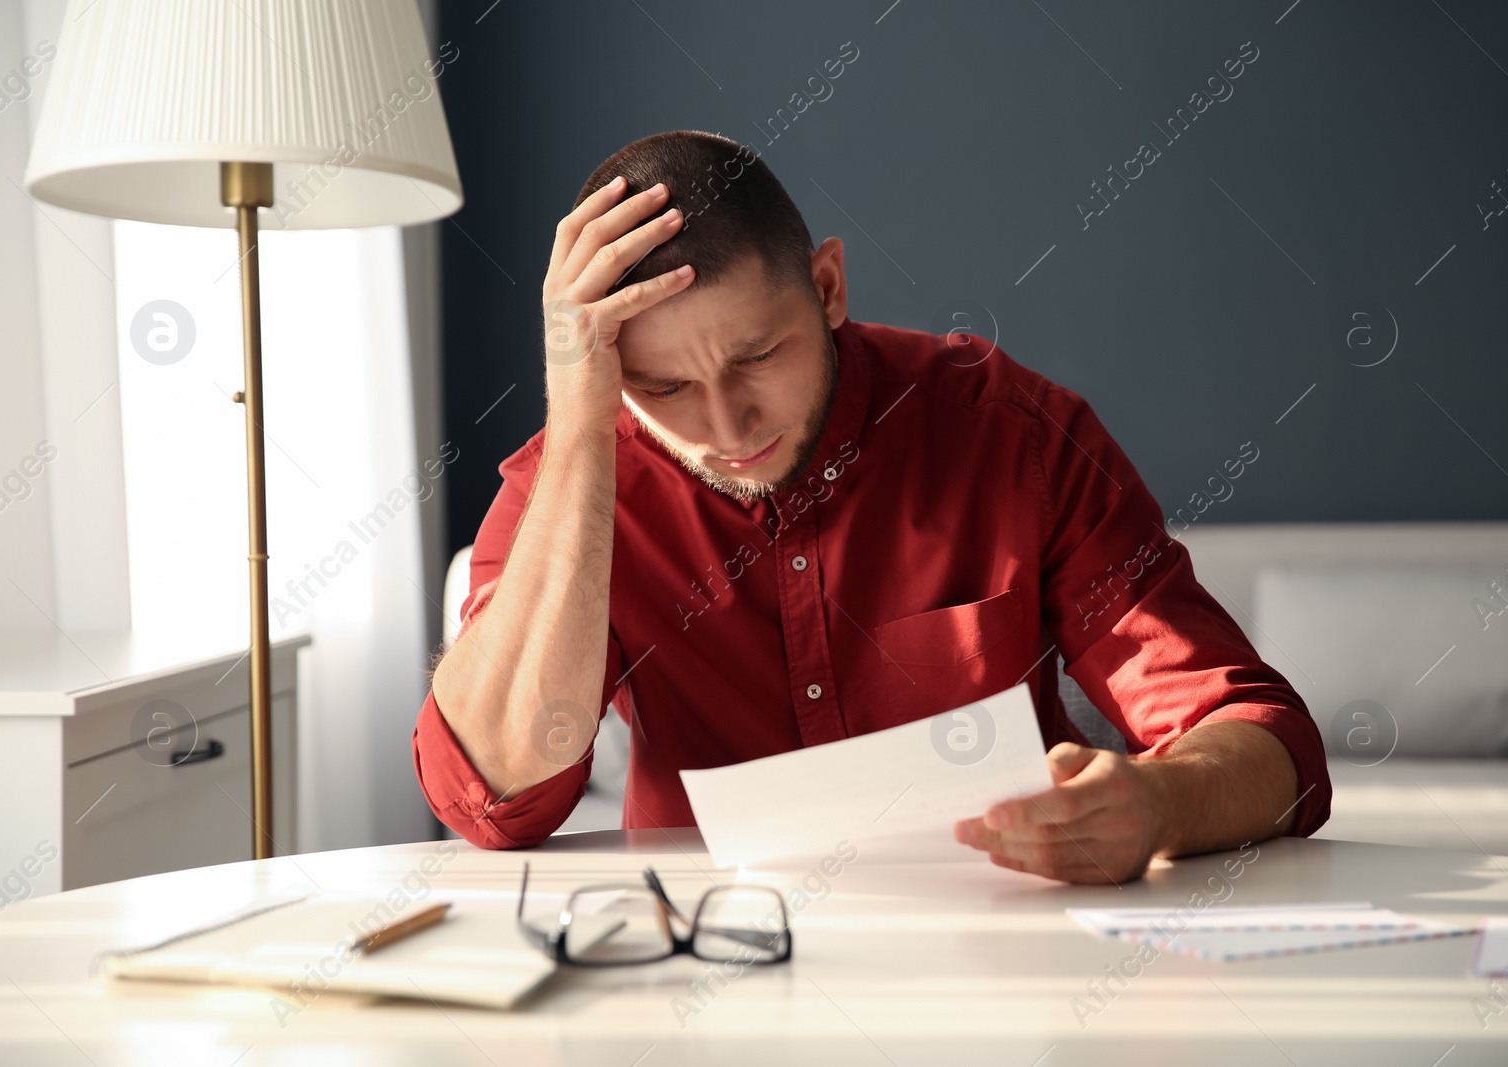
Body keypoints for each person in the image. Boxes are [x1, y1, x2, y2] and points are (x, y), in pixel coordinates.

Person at [413, 130, 1330, 884]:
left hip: (1016, 964)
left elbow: (1265, 738)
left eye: (757, 357)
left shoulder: (1014, 435)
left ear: (827, 288)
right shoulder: (573, 475)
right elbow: (490, 798)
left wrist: (1160, 802)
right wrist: (582, 417)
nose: (727, 426)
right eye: (665, 387)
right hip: (701, 979)